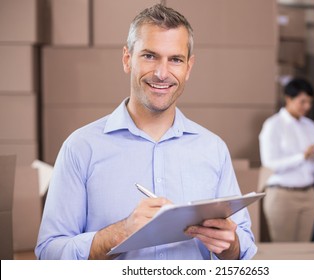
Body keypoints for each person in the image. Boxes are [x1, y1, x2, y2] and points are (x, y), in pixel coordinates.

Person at [35, 4, 257, 260]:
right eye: (150, 56)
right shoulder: (81, 148)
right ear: (127, 59)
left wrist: (230, 245)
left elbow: (244, 249)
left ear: (189, 68)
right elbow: (49, 255)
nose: (162, 73)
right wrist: (120, 232)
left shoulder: (213, 149)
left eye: (175, 59)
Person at [259, 78, 314, 242]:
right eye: (302, 101)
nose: (307, 107)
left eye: (310, 102)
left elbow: (310, 167)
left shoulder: (311, 127)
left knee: (303, 248)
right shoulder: (273, 125)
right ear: (288, 99)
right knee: (283, 251)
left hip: (308, 195)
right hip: (282, 195)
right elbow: (270, 164)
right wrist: (301, 156)